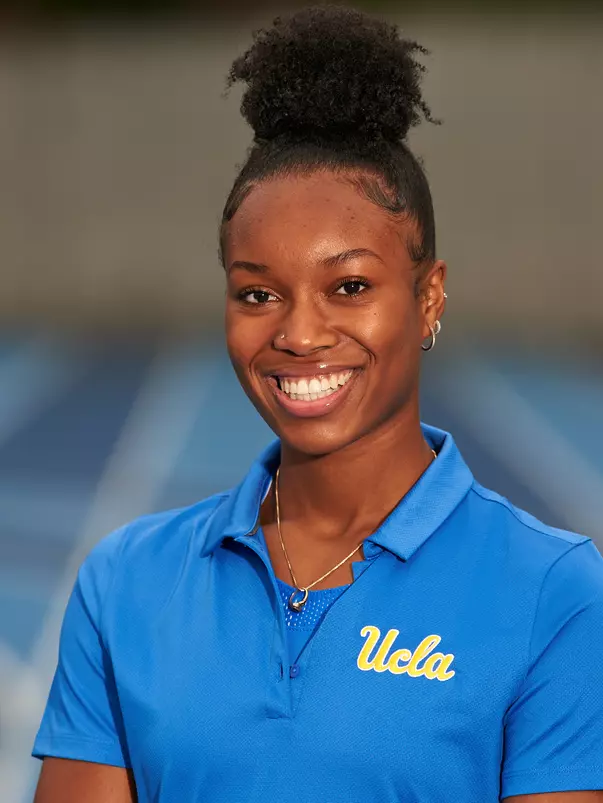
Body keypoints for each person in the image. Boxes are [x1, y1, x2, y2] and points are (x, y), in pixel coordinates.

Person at [32, 6, 603, 803]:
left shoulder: (553, 591)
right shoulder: (126, 582)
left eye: (350, 286)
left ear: (428, 297)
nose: (299, 333)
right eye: (258, 292)